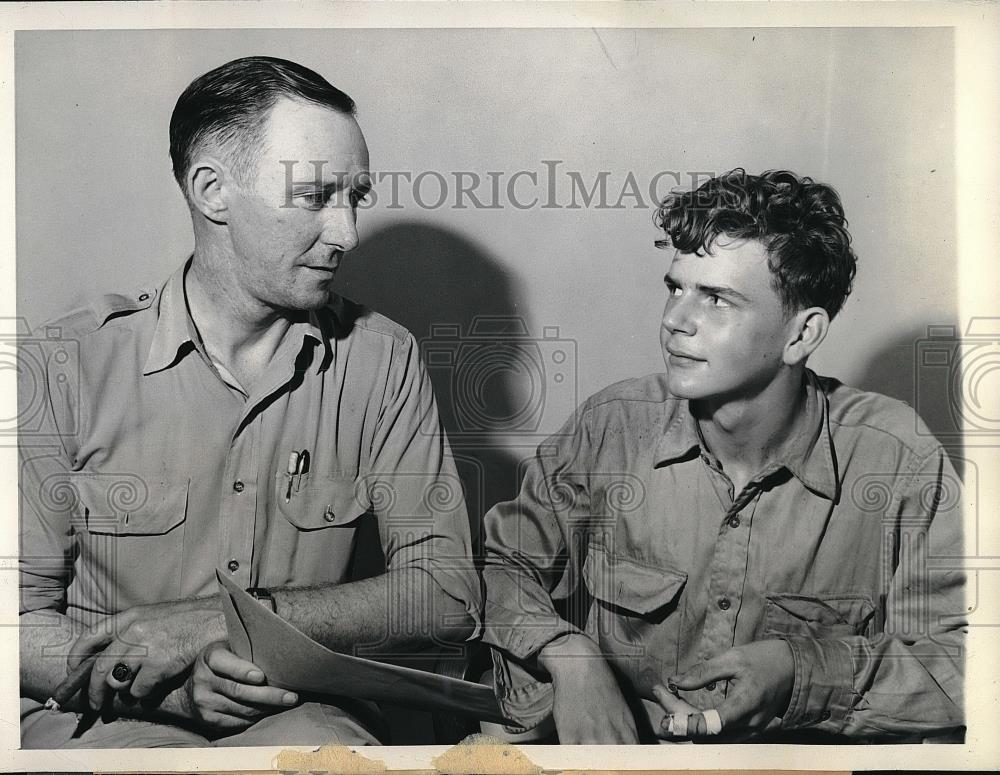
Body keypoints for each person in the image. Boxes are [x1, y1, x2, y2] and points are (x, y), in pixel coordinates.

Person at [19, 56, 481, 748]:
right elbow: (12, 621)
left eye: (355, 196)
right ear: (212, 191)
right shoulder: (63, 364)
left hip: (299, 721)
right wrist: (164, 686)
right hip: (102, 723)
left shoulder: (384, 359)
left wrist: (220, 619)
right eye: (317, 195)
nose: (347, 233)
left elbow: (446, 591)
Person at [481, 169, 966, 743]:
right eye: (675, 288)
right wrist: (567, 655)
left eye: (715, 299)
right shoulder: (611, 426)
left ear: (801, 335)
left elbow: (966, 665)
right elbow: (501, 568)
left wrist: (800, 671)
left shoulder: (899, 459)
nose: (674, 321)